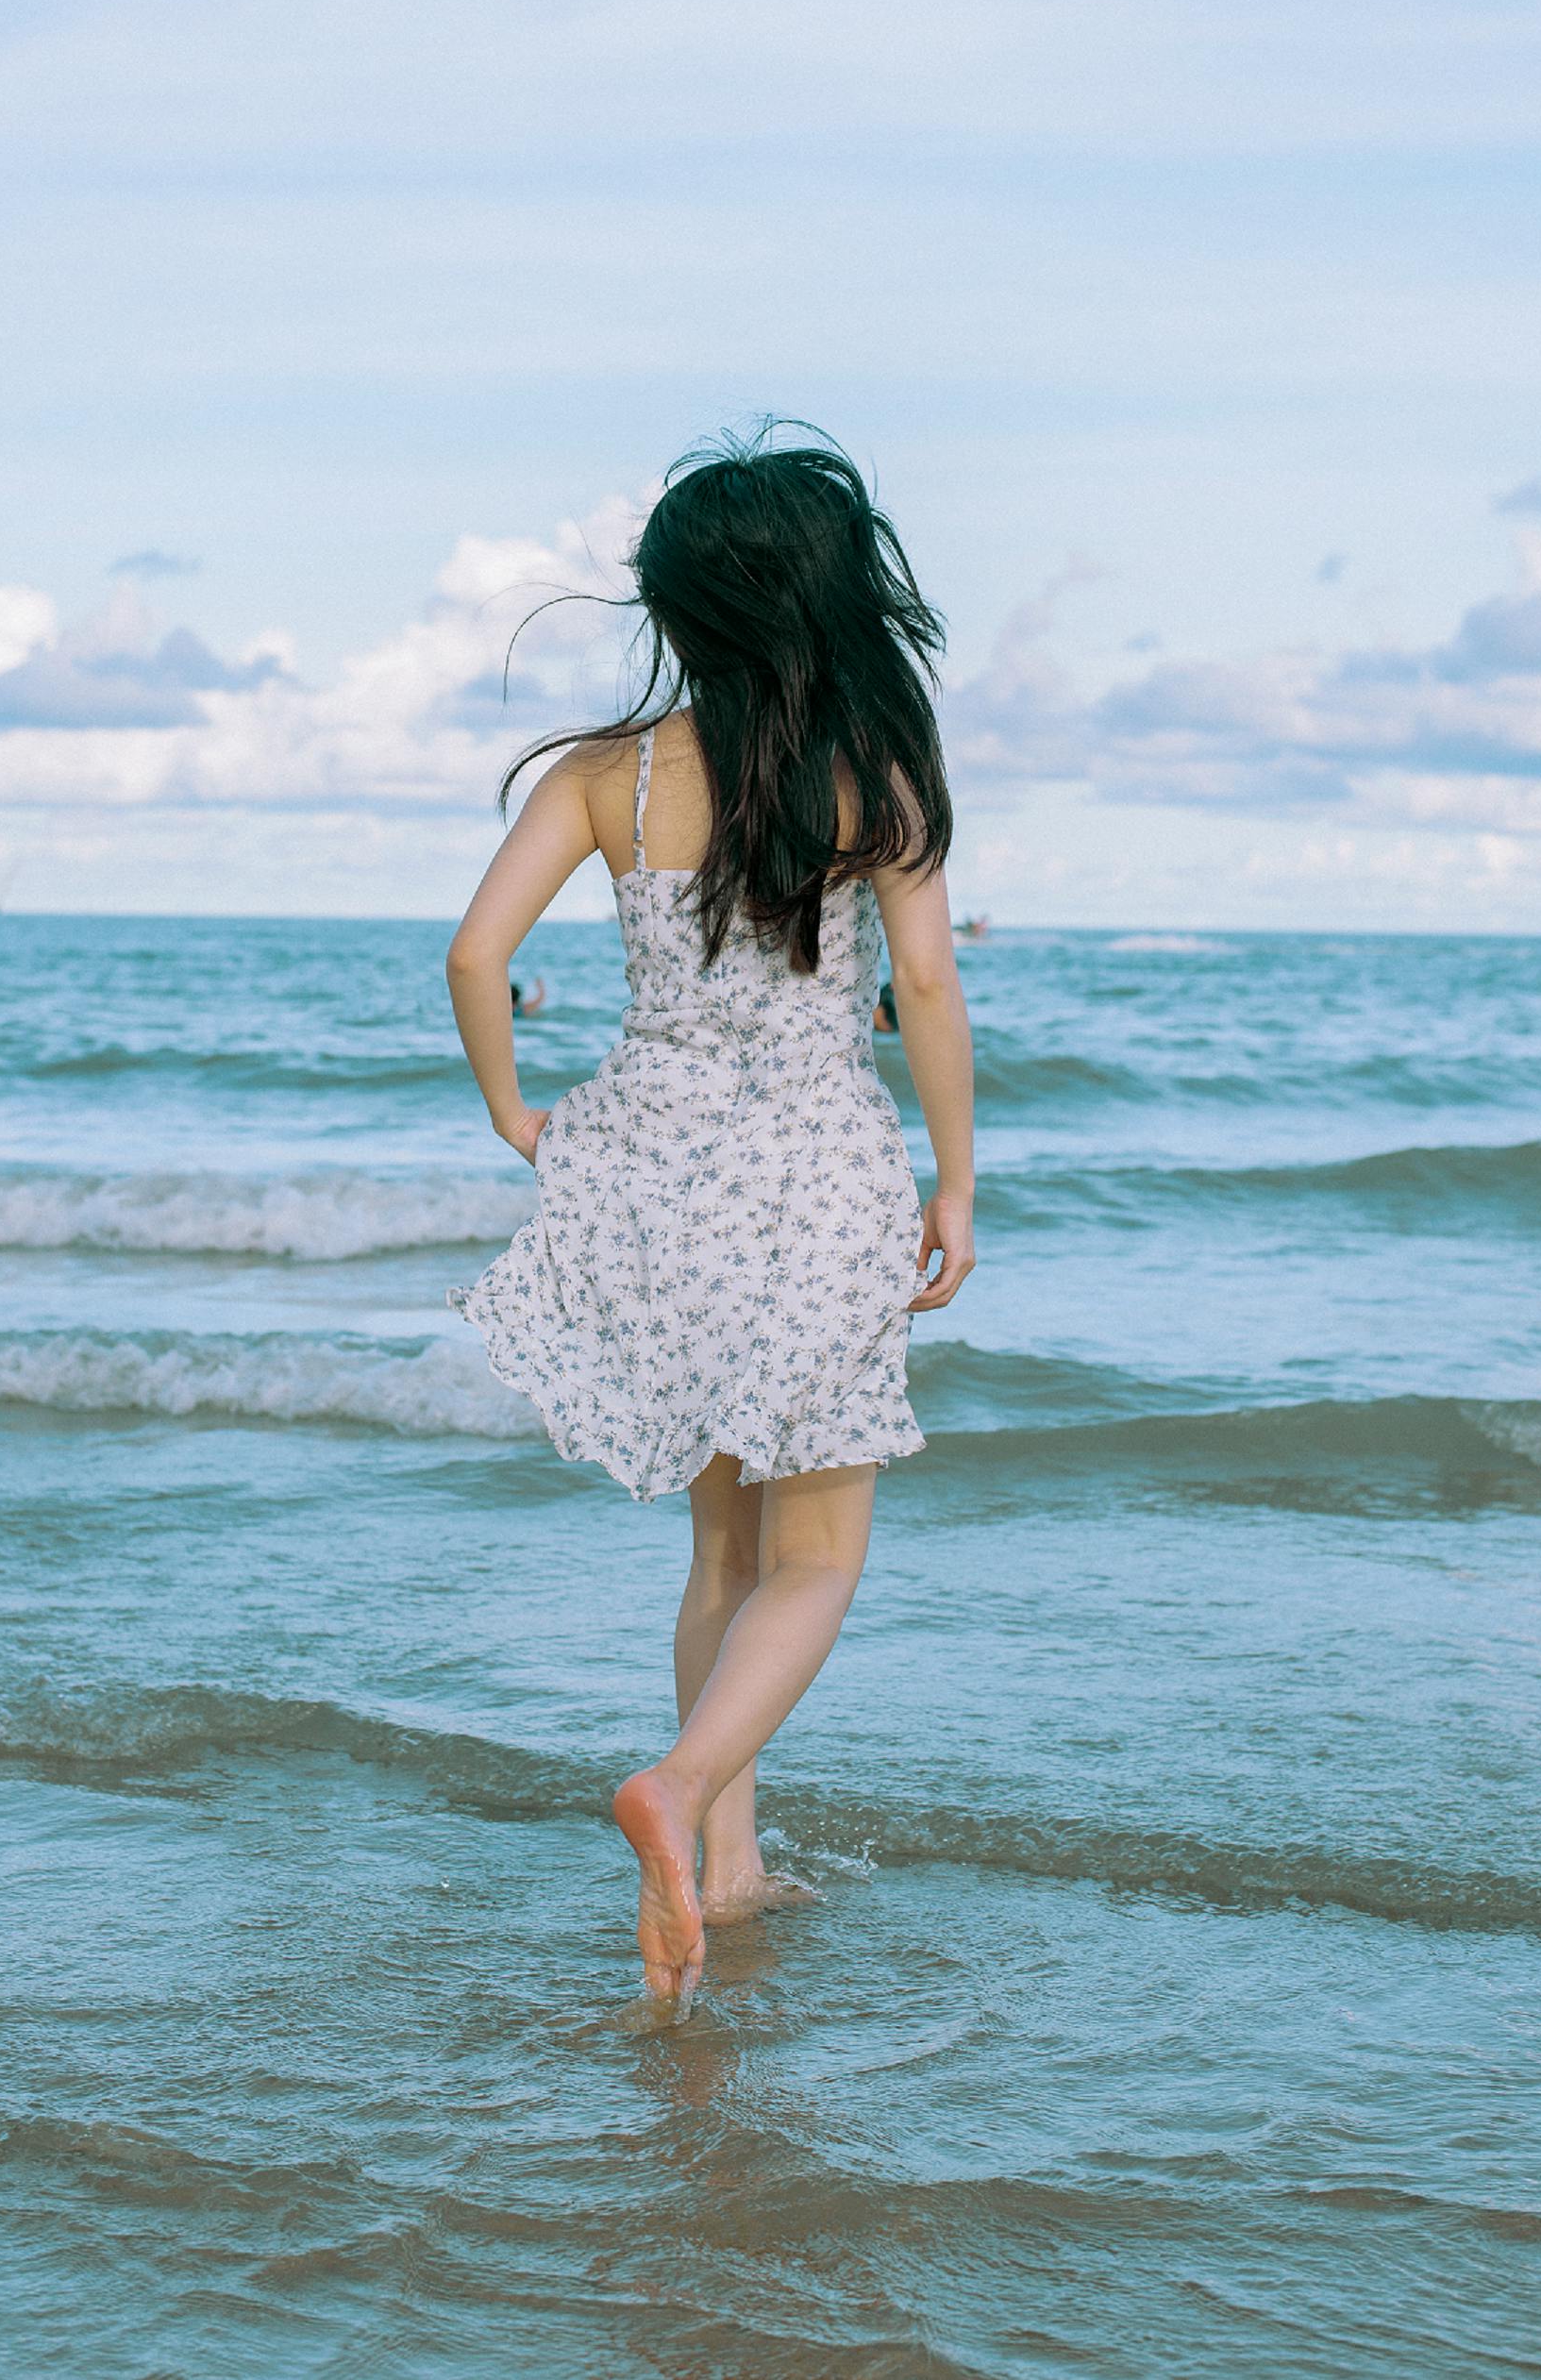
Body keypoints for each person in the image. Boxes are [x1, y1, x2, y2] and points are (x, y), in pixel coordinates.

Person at [444, 434, 975, 2008]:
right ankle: (677, 1796)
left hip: (648, 1175)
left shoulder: (612, 772)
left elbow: (478, 956)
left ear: (680, 602)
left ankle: (726, 1873)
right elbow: (928, 988)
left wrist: (515, 1116)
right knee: (816, 1559)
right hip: (814, 1182)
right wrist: (955, 1182)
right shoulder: (870, 772)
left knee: (721, 1546)